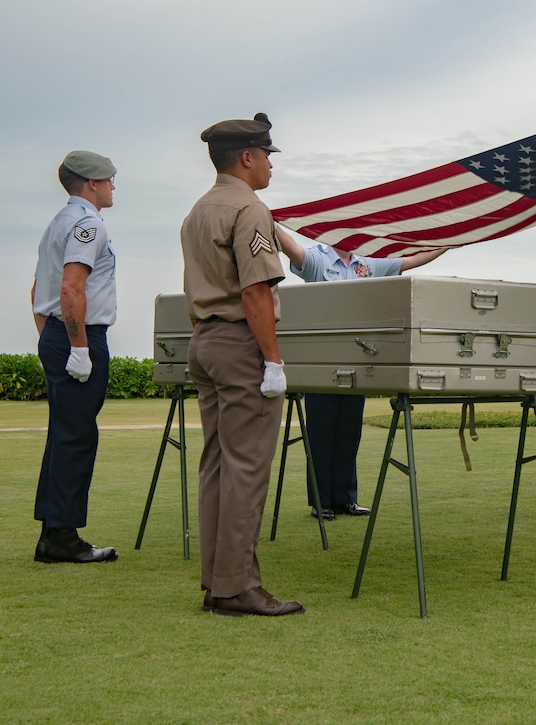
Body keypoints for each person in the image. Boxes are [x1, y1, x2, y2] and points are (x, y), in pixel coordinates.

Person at [181, 112, 303, 617]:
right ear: (247, 158)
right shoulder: (251, 210)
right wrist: (272, 360)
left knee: (217, 465)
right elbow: (255, 290)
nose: (271, 167)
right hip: (238, 345)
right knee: (248, 467)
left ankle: (218, 580)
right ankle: (237, 588)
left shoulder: (198, 210)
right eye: (267, 157)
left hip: (204, 340)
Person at [275, 226, 447, 520]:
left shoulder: (368, 263)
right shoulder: (319, 259)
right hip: (323, 363)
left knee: (348, 433)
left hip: (356, 362)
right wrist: (270, 222)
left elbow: (413, 259)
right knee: (321, 434)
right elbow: (291, 249)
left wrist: (451, 242)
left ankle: (345, 499)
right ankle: (321, 502)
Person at [30, 150, 120, 564]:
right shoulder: (87, 224)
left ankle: (54, 532)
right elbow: (70, 289)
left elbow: (38, 291)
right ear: (92, 184)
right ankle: (62, 537)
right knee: (77, 435)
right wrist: (79, 347)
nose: (113, 187)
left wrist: (49, 337)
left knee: (63, 432)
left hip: (57, 335)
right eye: (109, 180)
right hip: (78, 337)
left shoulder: (57, 223)